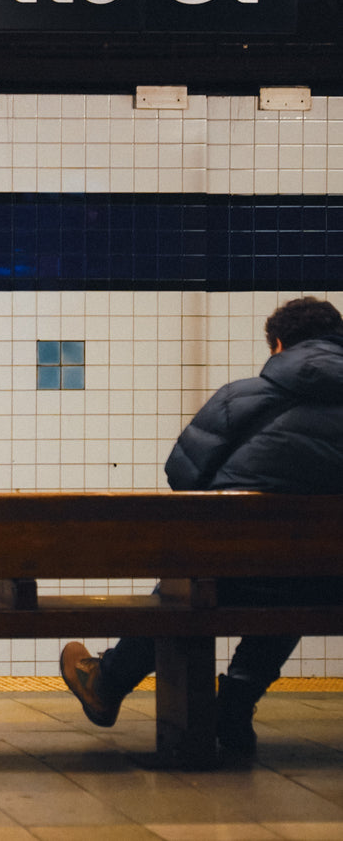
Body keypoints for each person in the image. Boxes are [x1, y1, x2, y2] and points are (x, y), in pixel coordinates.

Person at [60, 296, 343, 762]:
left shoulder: (240, 398)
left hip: (233, 571)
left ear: (278, 345)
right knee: (297, 578)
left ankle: (108, 681)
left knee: (193, 584)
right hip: (328, 582)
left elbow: (183, 476)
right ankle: (234, 705)